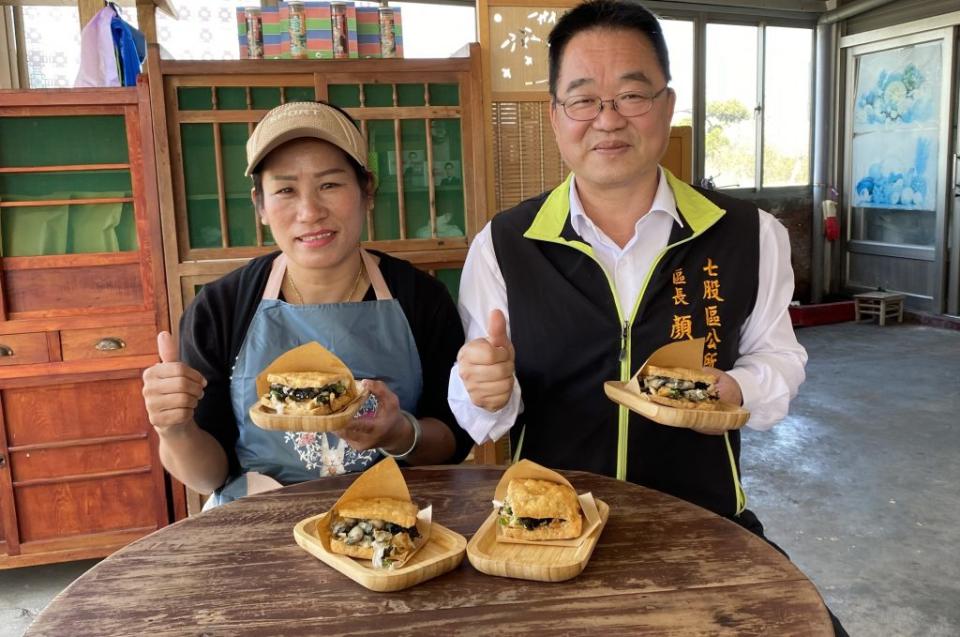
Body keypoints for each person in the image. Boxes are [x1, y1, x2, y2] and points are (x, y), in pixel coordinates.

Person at [449, 2, 846, 634]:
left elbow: (779, 359)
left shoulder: (749, 235)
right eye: (583, 99)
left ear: (665, 106)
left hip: (707, 520)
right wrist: (485, 386)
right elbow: (480, 402)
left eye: (631, 94)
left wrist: (734, 388)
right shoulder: (503, 244)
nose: (607, 119)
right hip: (549, 535)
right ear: (555, 117)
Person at [143, 101, 473, 507]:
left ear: (366, 191)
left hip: (392, 522)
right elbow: (209, 475)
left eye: (330, 185)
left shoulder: (421, 298)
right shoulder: (221, 308)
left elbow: (453, 442)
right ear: (261, 206)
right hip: (259, 520)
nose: (310, 212)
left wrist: (398, 433)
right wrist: (173, 430)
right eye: (285, 190)